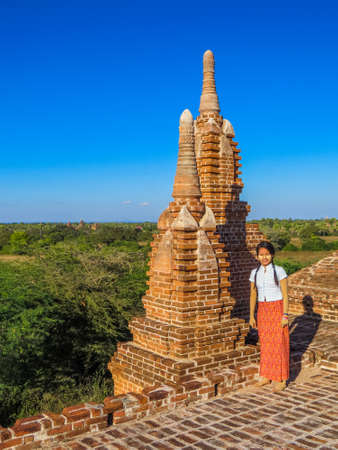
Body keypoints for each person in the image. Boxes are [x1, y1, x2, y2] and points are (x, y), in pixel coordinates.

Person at [249, 241, 289, 392]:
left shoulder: (279, 271)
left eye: (267, 254)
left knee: (279, 343)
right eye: (261, 255)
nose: (264, 257)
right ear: (257, 256)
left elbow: (285, 295)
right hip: (263, 310)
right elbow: (253, 294)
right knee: (265, 343)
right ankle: (266, 375)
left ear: (272, 255)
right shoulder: (255, 273)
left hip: (277, 308)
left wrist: (285, 314)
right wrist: (251, 315)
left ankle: (282, 378)